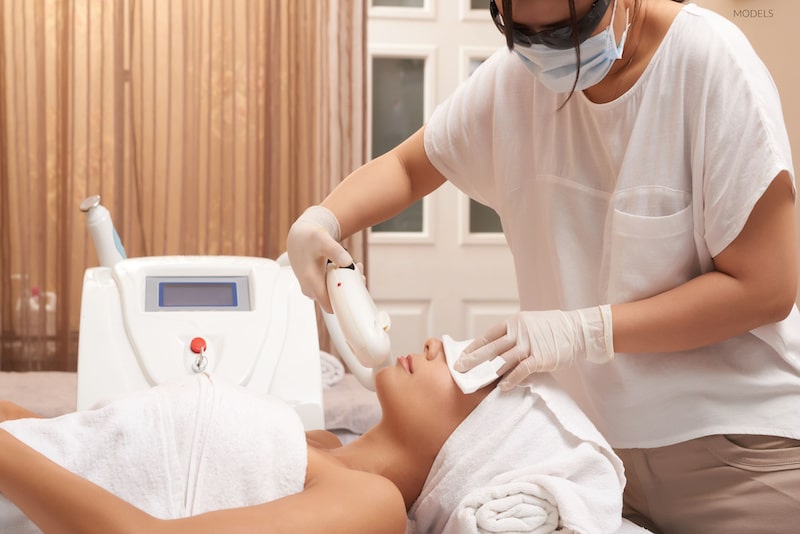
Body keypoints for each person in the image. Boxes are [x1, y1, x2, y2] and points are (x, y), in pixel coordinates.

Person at [286, 1, 800, 532]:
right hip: (590, 455)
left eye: (568, 31)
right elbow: (408, 166)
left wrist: (587, 330)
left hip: (734, 445)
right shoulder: (515, 80)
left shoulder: (708, 65)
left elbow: (765, 287)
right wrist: (325, 218)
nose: (546, 51)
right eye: (521, 32)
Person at [0, 336, 627, 534]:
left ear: (477, 445)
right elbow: (85, 443)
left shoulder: (370, 504)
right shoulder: (322, 446)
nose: (442, 344)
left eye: (474, 371)